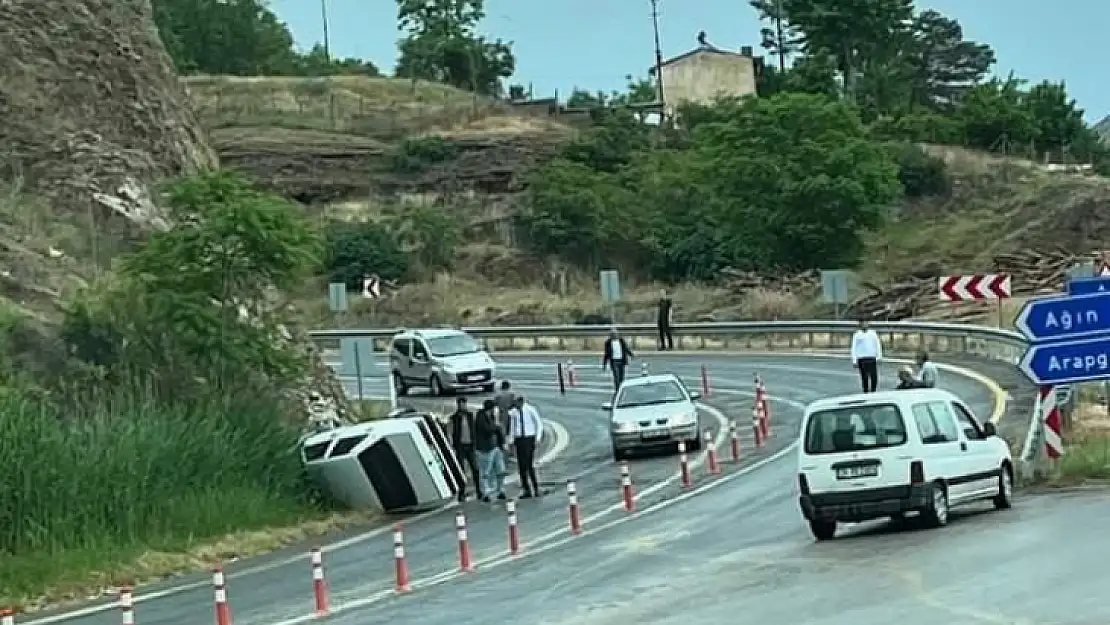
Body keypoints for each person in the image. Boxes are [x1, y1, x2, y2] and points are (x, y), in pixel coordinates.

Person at [507, 396, 543, 498]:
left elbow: (538, 424)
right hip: (519, 439)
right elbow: (513, 427)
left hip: (529, 438)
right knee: (521, 466)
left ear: (521, 402)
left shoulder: (530, 410)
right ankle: (526, 489)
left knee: (529, 464)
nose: (516, 406)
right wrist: (511, 441)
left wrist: (538, 438)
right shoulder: (514, 412)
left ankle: (536, 488)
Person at [474, 399, 507, 502]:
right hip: (485, 449)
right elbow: (488, 430)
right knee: (485, 472)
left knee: (500, 470)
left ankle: (500, 490)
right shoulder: (481, 417)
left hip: (496, 447)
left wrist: (502, 443)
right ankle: (485, 493)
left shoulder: (492, 417)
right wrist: (496, 425)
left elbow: (498, 430)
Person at [448, 397, 480, 502]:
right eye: (461, 404)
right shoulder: (454, 418)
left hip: (470, 445)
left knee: (475, 468)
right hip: (460, 446)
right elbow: (450, 431)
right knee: (461, 470)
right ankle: (461, 492)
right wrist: (452, 444)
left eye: (464, 404)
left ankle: (479, 490)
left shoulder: (470, 416)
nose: (463, 406)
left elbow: (474, 429)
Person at [850, 318, 882, 393]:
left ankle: (873, 390)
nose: (864, 324)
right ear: (860, 324)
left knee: (874, 376)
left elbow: (877, 345)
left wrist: (879, 356)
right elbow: (854, 348)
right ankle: (865, 391)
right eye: (863, 323)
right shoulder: (857, 335)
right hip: (862, 358)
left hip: (871, 357)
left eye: (866, 323)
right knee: (864, 377)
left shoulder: (873, 333)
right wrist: (854, 360)